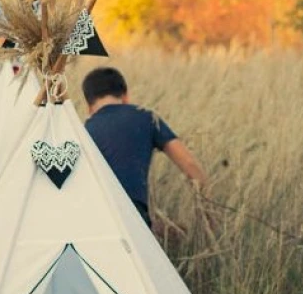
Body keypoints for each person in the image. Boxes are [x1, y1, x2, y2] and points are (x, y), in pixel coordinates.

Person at [83, 67, 209, 230]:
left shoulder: (83, 129)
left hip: (93, 217)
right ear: (126, 96)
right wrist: (207, 216)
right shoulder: (147, 117)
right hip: (133, 213)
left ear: (89, 106)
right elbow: (189, 163)